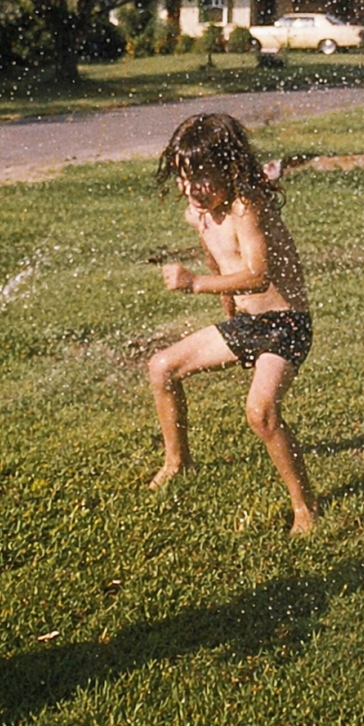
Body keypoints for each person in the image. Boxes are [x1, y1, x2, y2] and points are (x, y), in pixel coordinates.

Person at [147, 113, 318, 537]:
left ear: (232, 169)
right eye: (185, 177)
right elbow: (218, 258)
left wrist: (195, 285)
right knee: (161, 368)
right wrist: (227, 305)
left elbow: (258, 274)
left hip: (286, 325)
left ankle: (306, 506)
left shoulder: (248, 208)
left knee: (260, 413)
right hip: (247, 323)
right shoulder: (198, 214)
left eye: (204, 177)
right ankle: (177, 461)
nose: (193, 189)